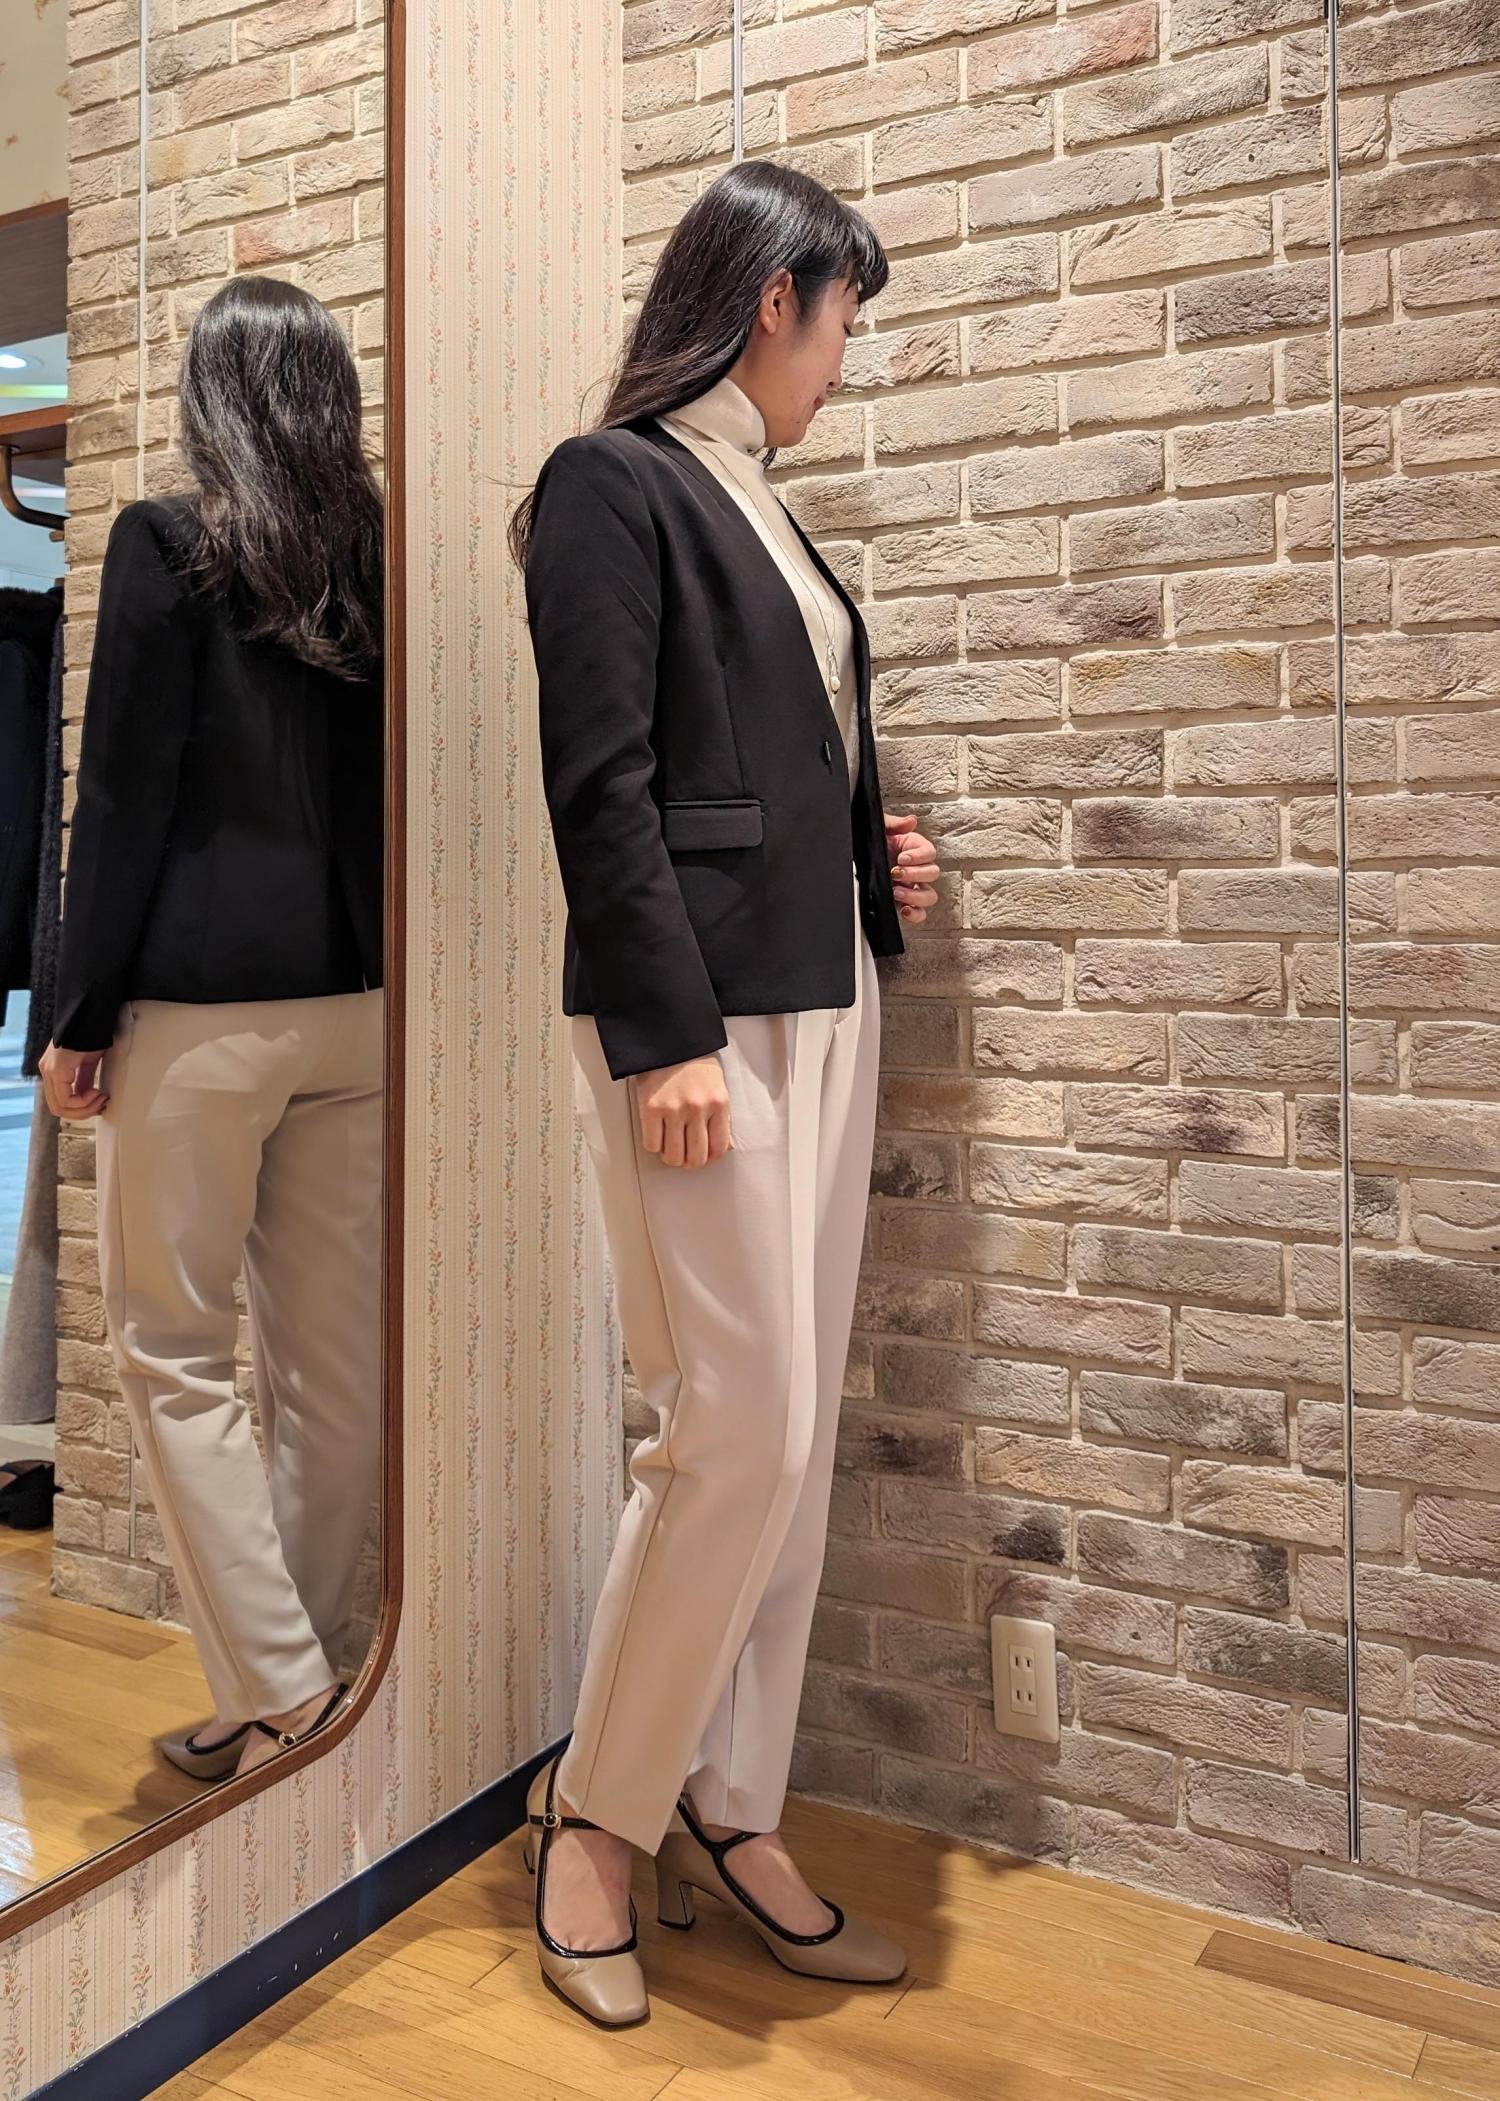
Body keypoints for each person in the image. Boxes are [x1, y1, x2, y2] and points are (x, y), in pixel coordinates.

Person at [515, 160, 941, 2025]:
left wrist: (872, 861)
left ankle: (732, 1796)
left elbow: (765, 766)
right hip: (700, 1020)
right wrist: (664, 1032)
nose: (842, 361)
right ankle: (594, 1821)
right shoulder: (611, 483)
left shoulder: (769, 506)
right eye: (842, 321)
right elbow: (600, 781)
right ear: (774, 299)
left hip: (825, 995)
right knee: (732, 1426)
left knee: (796, 1441)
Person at [40, 275, 386, 1782]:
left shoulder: (167, 543)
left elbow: (121, 796)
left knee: (171, 1350)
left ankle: (285, 1693)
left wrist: (77, 1008)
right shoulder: (374, 559)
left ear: (208, 400)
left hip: (198, 1014)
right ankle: (288, 1699)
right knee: (333, 1374)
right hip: (359, 1010)